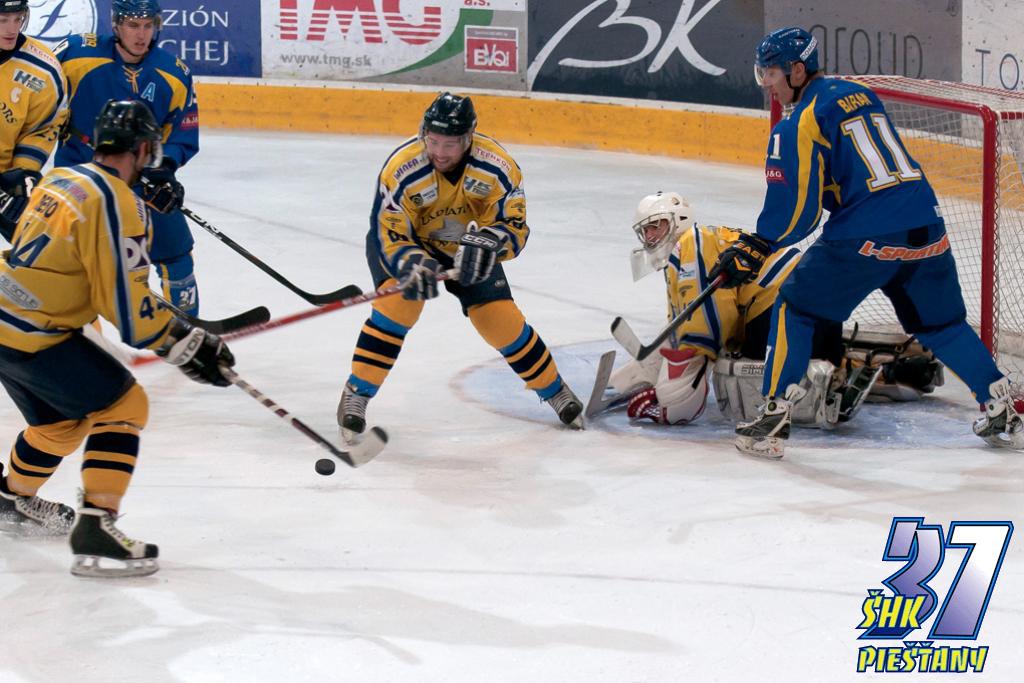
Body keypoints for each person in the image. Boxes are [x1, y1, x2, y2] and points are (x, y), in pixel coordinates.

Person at [709, 26, 1024, 458]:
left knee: (795, 308)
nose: (767, 84)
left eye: (772, 73)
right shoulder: (858, 93)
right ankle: (1001, 407)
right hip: (925, 224)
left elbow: (799, 213)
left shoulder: (797, 123)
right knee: (941, 325)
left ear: (797, 71)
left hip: (866, 235)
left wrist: (758, 244)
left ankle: (772, 418)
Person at [0, 100, 235, 577]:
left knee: (61, 425)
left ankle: (11, 499)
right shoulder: (121, 205)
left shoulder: (62, 177)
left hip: (6, 318)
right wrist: (182, 341)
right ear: (144, 149)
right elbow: (129, 314)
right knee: (125, 406)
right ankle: (97, 527)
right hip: (37, 333)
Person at [337, 92, 584, 440]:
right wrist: (411, 262)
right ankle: (356, 394)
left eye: (450, 144)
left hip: (471, 247)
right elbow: (388, 232)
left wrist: (487, 243)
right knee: (397, 308)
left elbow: (515, 227)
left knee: (499, 320)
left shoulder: (497, 167)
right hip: (413, 246)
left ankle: (555, 390)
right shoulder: (402, 169)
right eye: (433, 140)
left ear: (468, 139)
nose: (439, 151)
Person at [611, 191, 862, 427]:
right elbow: (688, 321)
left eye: (657, 226)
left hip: (790, 313)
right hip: (820, 311)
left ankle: (818, 382)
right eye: (646, 230)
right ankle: (835, 371)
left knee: (730, 362)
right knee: (710, 341)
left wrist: (671, 404)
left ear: (679, 220)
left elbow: (705, 332)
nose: (650, 236)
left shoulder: (690, 245)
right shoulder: (704, 240)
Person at [54, 0, 200, 315]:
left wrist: (164, 166)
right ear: (116, 25)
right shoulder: (77, 55)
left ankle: (187, 326)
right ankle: (72, 331)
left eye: (147, 26)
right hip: (81, 173)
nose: (141, 35)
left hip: (142, 177)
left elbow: (182, 133)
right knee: (71, 262)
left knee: (176, 251)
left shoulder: (174, 72)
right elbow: (40, 97)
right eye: (133, 25)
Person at [0, 0, 69, 242]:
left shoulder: (43, 70)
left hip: (3, 179)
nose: (12, 29)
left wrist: (22, 174)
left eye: (18, 18)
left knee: (39, 246)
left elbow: (43, 128)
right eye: (3, 20)